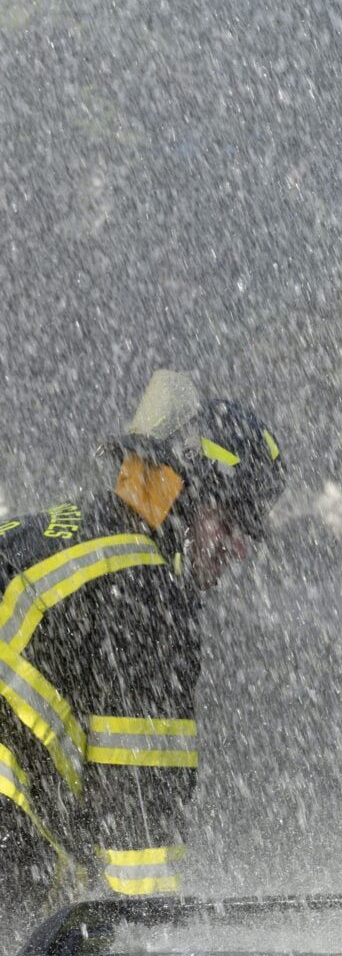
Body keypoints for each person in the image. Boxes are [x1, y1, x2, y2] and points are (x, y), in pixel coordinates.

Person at [0, 369, 285, 941]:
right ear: (186, 492)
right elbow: (140, 824)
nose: (238, 550)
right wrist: (152, 940)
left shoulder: (49, 534)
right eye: (229, 522)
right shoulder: (147, 594)